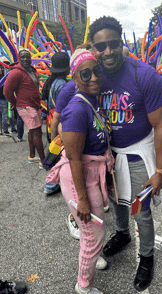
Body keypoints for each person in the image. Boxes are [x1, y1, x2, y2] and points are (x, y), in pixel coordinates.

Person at [90, 16, 162, 291]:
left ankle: (146, 258)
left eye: (113, 43)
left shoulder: (144, 75)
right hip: (108, 156)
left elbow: (161, 125)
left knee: (140, 211)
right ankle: (122, 235)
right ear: (93, 48)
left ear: (121, 42)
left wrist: (159, 171)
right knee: (117, 201)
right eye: (101, 46)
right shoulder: (92, 75)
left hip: (136, 156)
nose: (108, 51)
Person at [46, 49, 112, 294]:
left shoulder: (91, 100)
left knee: (93, 230)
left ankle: (92, 255)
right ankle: (83, 286)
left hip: (90, 173)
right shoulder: (76, 109)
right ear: (74, 78)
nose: (94, 77)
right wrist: (82, 199)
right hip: (78, 178)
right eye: (86, 73)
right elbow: (74, 158)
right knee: (93, 233)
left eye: (97, 71)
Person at [4, 49, 45, 168]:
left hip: (33, 104)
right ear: (19, 58)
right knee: (37, 131)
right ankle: (43, 161)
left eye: (28, 57)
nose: (26, 59)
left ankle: (32, 156)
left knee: (33, 131)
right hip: (26, 106)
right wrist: (15, 102)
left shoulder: (31, 69)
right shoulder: (16, 72)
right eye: (23, 57)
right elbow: (7, 91)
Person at [43, 52, 70, 195]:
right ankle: (51, 184)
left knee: (56, 153)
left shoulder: (53, 81)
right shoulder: (62, 85)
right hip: (58, 123)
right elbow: (62, 111)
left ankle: (52, 182)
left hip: (51, 120)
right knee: (59, 154)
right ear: (67, 69)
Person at [0, 64, 17, 135]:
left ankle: (12, 128)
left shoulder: (7, 76)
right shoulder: (6, 76)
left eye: (1, 68)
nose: (0, 69)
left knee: (11, 114)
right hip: (2, 99)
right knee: (5, 115)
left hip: (9, 97)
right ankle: (6, 130)